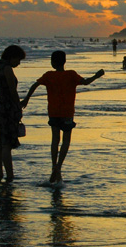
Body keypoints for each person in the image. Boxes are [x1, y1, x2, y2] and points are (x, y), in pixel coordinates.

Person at [22, 51, 104, 184]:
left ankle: (54, 166)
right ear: (64, 61)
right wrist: (96, 76)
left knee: (55, 140)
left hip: (53, 112)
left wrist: (26, 99)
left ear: (52, 62)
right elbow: (86, 82)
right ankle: (59, 167)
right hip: (67, 113)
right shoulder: (71, 74)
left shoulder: (49, 75)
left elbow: (34, 85)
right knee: (65, 141)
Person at [0, 45, 26, 183]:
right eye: (18, 59)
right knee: (7, 145)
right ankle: (10, 175)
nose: (19, 63)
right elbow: (13, 91)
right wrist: (18, 107)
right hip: (7, 109)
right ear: (12, 57)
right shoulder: (7, 69)